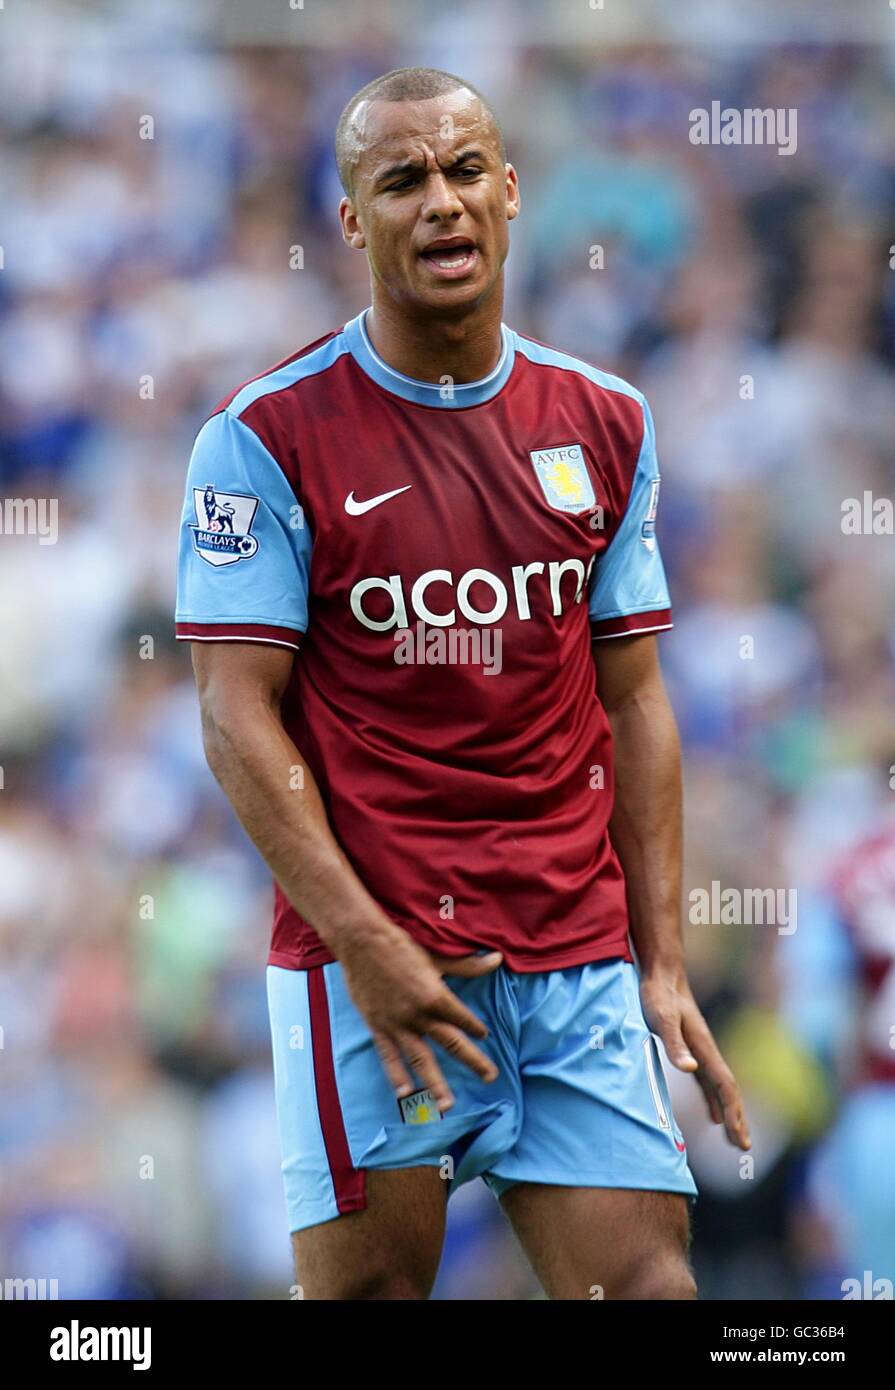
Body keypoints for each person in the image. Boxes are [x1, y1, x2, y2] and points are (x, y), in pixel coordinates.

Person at [175, 66, 750, 1300]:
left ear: (510, 190)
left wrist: (660, 962)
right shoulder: (262, 436)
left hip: (573, 955)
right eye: (402, 181)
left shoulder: (606, 420)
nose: (440, 203)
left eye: (463, 170)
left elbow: (636, 700)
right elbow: (234, 715)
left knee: (647, 1289)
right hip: (370, 963)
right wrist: (363, 943)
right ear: (350, 221)